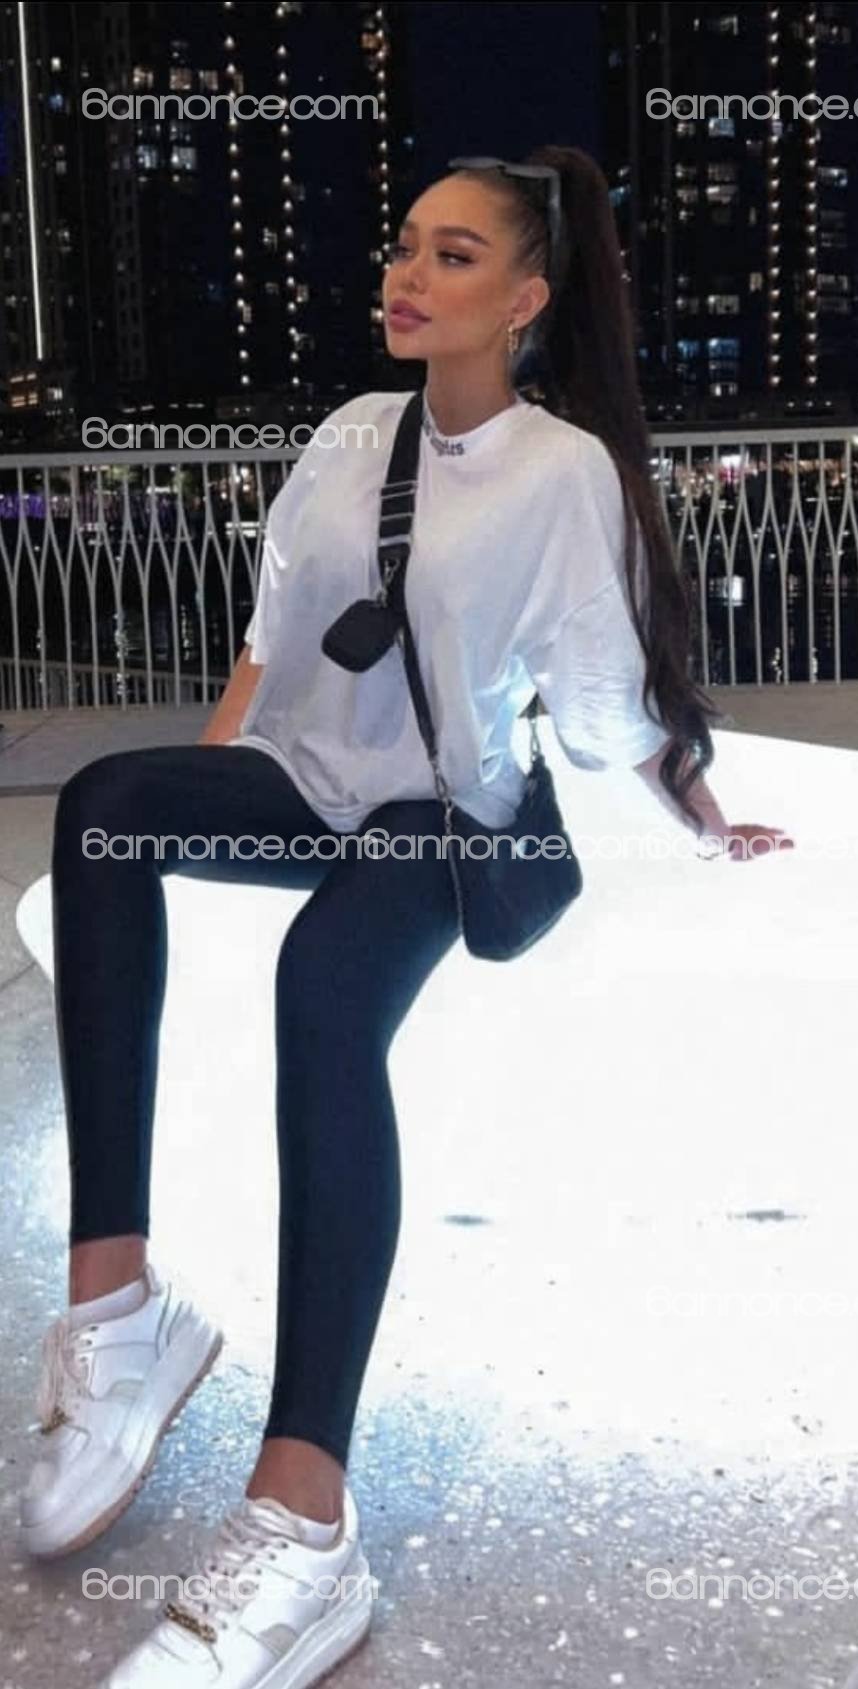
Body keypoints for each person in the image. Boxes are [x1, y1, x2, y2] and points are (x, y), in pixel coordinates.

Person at [21, 146, 794, 1688]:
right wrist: (201, 797)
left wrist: (698, 807)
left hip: (450, 812)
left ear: (524, 299)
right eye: (404, 246)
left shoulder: (561, 472)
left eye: (453, 256)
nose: (408, 275)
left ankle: (305, 1515)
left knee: (326, 983)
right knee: (106, 806)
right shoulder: (349, 434)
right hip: (314, 783)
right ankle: (121, 1312)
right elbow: (271, 639)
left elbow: (601, 698)